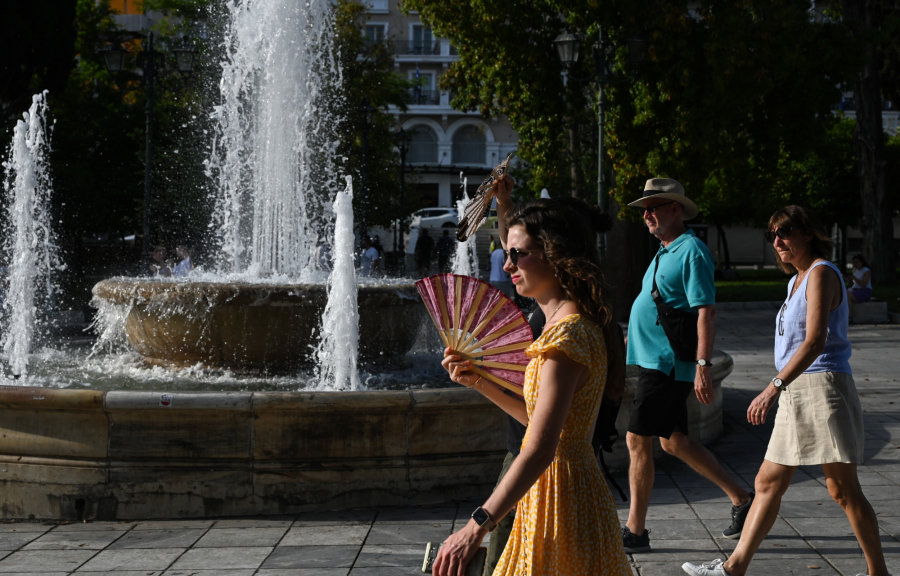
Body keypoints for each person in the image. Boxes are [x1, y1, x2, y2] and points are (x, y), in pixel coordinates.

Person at [682, 206, 889, 576]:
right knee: (766, 482)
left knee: (842, 490)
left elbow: (814, 342)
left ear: (809, 233)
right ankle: (733, 568)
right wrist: (781, 386)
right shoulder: (795, 281)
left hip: (823, 388)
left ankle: (879, 573)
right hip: (797, 389)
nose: (777, 241)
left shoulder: (822, 273)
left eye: (786, 232)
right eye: (771, 236)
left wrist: (771, 388)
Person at [433, 194, 631, 576]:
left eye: (518, 254)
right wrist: (482, 383)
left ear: (555, 254)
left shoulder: (567, 337)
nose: (507, 265)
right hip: (555, 489)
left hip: (560, 495)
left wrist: (476, 525)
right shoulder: (563, 326)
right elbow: (544, 423)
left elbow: (541, 448)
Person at [624, 178, 753, 553]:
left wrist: (702, 364)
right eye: (644, 209)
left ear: (675, 209)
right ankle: (742, 500)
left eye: (654, 207)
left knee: (635, 439)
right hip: (655, 361)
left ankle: (636, 531)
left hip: (667, 363)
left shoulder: (691, 250)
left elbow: (706, 310)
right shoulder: (664, 250)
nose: (646, 214)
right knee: (675, 442)